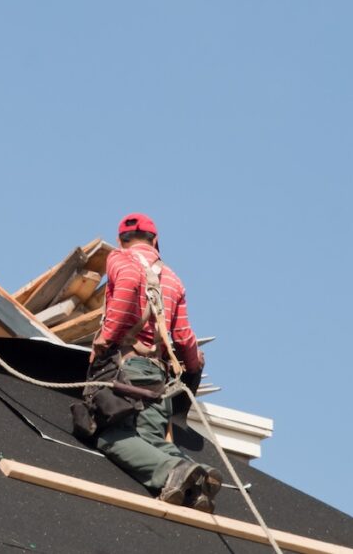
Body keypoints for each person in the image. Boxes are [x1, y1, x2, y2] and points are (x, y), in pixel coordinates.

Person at [88, 213, 222, 512]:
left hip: (127, 369)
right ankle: (191, 477)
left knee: (112, 437)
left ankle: (171, 473)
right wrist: (193, 365)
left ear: (121, 240)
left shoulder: (120, 259)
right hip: (157, 376)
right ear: (156, 241)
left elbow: (125, 293)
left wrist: (104, 340)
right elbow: (184, 336)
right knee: (148, 436)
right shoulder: (173, 278)